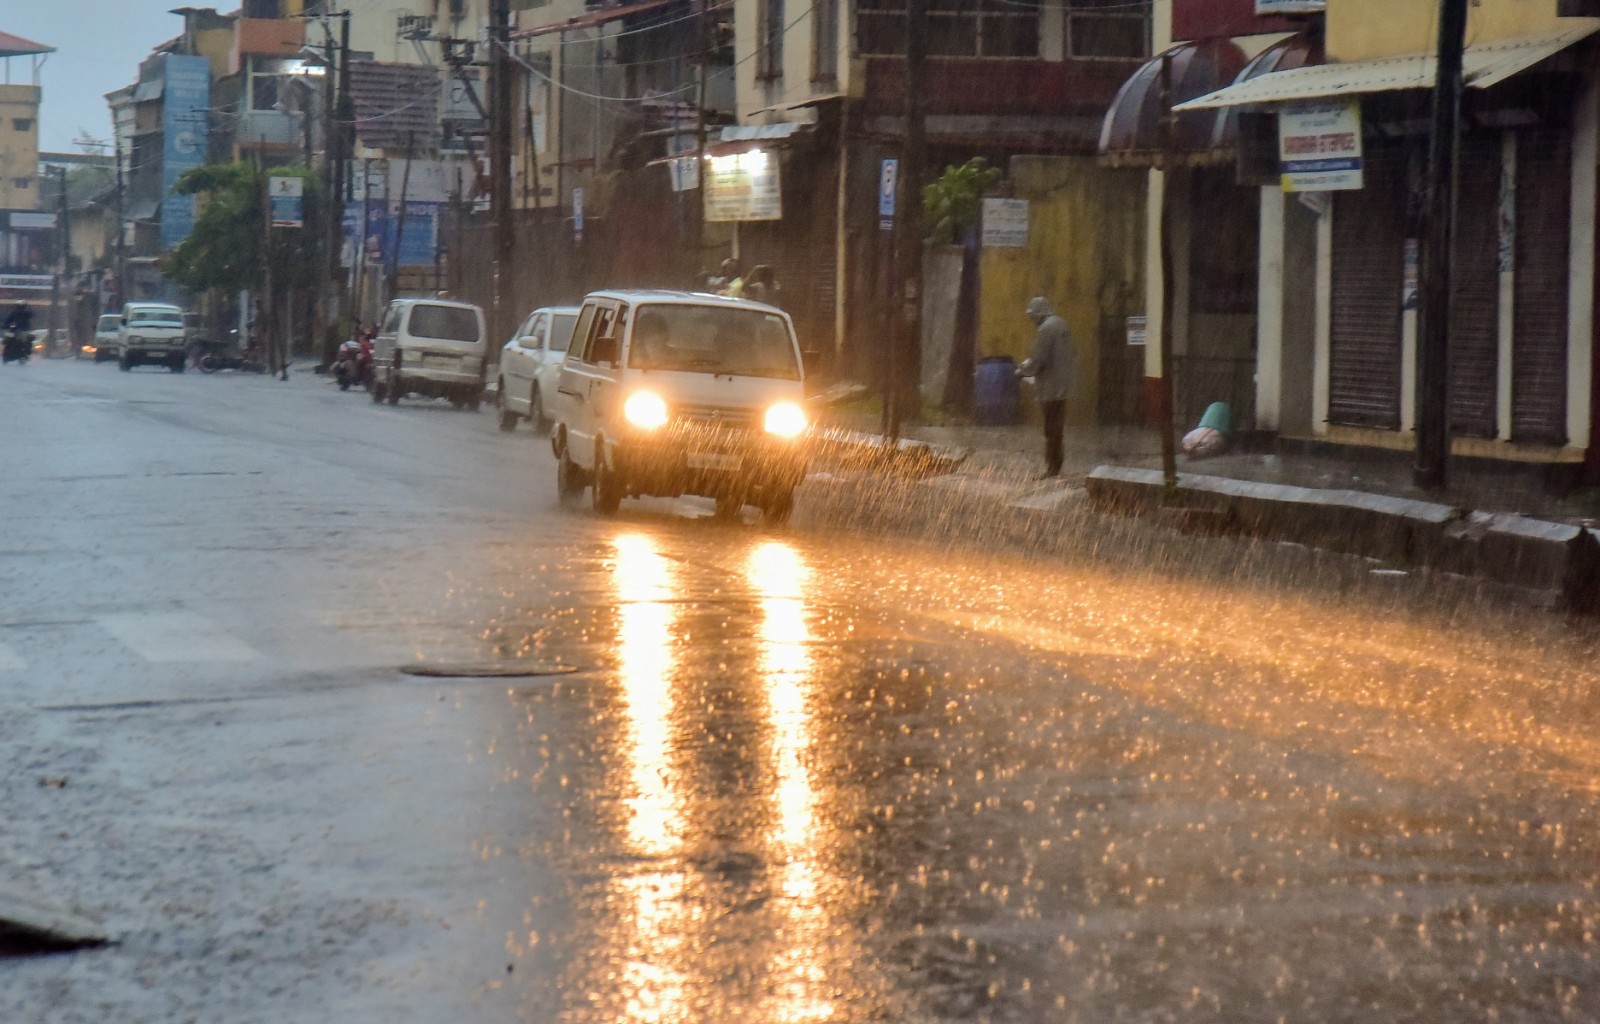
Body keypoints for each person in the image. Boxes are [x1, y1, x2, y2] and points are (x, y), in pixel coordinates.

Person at [1016, 295, 1075, 479]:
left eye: (1032, 315)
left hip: (1050, 387)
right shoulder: (1061, 324)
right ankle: (1057, 464)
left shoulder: (1046, 329)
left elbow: (1038, 358)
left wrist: (1022, 371)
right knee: (1057, 428)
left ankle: (1052, 467)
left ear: (1039, 313)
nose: (1032, 320)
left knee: (1051, 429)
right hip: (1062, 384)